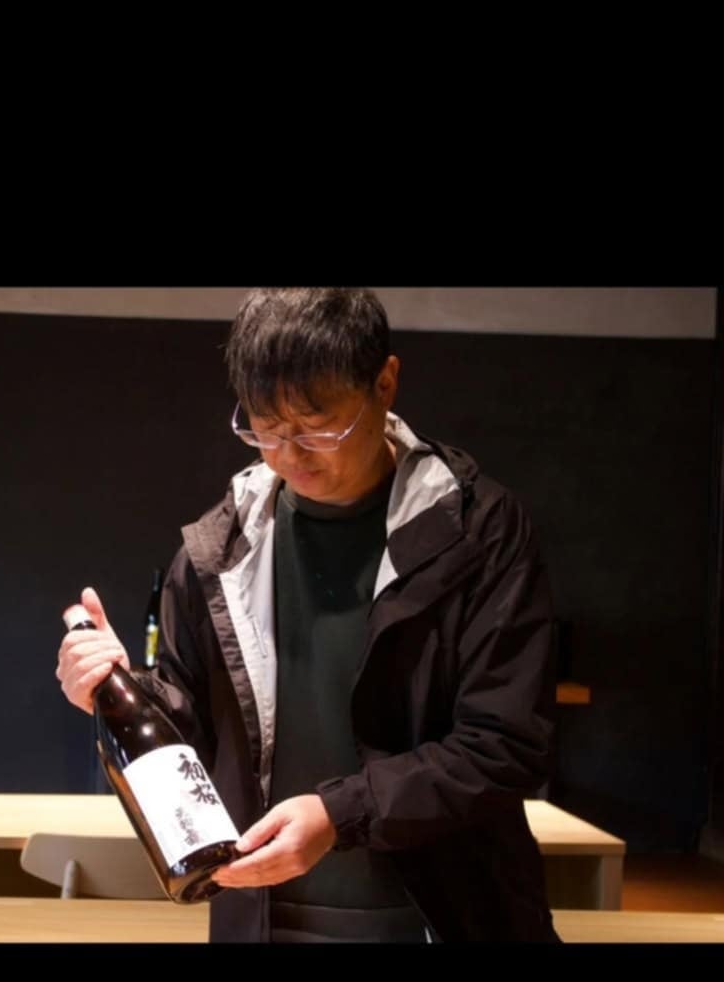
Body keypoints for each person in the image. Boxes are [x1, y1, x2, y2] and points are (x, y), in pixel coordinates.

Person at [57, 288, 560, 943]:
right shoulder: (223, 549)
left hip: (446, 917)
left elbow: (505, 745)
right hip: (266, 918)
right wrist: (114, 689)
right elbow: (193, 738)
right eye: (265, 427)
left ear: (385, 383)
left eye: (319, 427)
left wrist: (338, 814)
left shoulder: (477, 533)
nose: (289, 454)